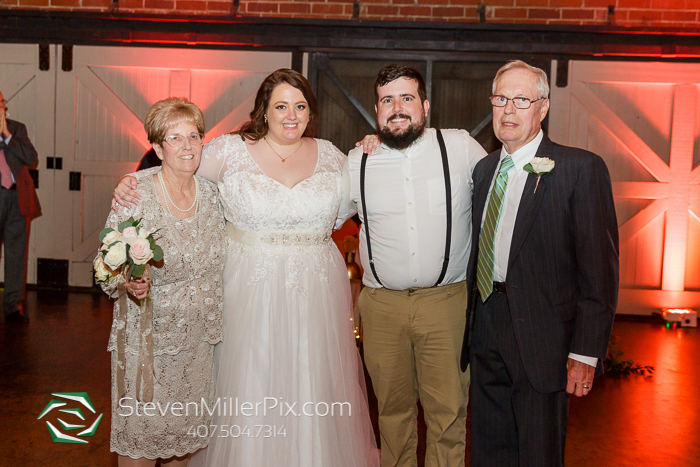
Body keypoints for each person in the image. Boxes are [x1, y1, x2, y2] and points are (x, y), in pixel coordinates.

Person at [112, 69, 379, 467]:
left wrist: (376, 149)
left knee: (310, 387)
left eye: (301, 106)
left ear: (311, 112)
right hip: (247, 292)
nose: (292, 115)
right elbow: (179, 168)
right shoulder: (229, 151)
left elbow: (364, 197)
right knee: (248, 385)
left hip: (314, 296)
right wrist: (134, 182)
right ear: (264, 112)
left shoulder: (333, 157)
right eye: (281, 106)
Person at [460, 60, 619, 466]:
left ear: (543, 108)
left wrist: (585, 353)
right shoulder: (483, 171)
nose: (508, 110)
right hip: (486, 327)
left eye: (520, 100)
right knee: (489, 450)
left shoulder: (579, 170)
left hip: (544, 340)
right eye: (500, 99)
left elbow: (599, 272)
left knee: (538, 454)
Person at [337, 65, 487, 467]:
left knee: (448, 413)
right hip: (382, 308)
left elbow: (500, 200)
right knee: (391, 414)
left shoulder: (460, 148)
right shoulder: (356, 162)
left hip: (447, 304)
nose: (397, 108)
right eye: (388, 100)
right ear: (376, 110)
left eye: (407, 98)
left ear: (425, 106)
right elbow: (318, 217)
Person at [99, 97, 226, 467]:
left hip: (198, 346)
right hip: (147, 347)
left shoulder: (216, 195)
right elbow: (106, 265)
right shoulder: (136, 195)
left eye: (194, 135)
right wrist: (128, 282)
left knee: (180, 449)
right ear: (157, 148)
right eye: (175, 138)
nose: (187, 146)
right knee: (139, 448)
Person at [0, 90, 41, 323]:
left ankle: (13, 305)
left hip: (17, 198)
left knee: (16, 254)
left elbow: (30, 157)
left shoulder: (17, 128)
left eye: (1, 103)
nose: (0, 108)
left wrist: (6, 135)